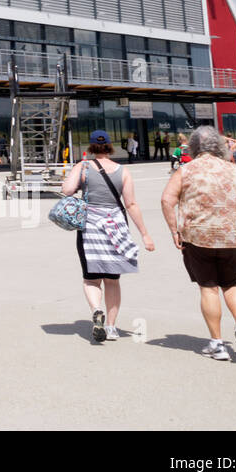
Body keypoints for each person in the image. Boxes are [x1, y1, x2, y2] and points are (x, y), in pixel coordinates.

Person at [161, 126, 236, 362]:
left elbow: (166, 199)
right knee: (233, 285)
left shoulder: (186, 170)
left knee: (209, 287)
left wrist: (174, 230)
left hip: (198, 237)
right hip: (232, 236)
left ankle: (217, 343)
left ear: (193, 147)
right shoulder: (234, 171)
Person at [60, 129, 155, 342]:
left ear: (91, 147)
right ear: (110, 146)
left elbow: (67, 190)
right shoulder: (123, 171)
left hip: (89, 229)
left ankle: (96, 310)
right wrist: (145, 235)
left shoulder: (83, 166)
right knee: (112, 280)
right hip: (115, 228)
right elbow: (130, 204)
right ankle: (111, 327)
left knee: (91, 279)